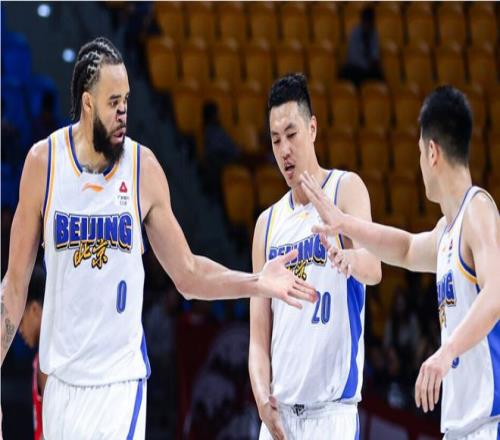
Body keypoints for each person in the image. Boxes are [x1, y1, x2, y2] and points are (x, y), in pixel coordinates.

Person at [0, 37, 316, 440]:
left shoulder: (142, 168)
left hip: (120, 386)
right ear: (87, 103)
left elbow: (188, 274)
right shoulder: (43, 164)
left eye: (126, 100)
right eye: (113, 102)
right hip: (61, 383)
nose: (123, 112)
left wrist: (258, 282)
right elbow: (14, 286)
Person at [301, 85, 500, 439]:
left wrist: (445, 352)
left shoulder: (478, 209)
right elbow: (406, 248)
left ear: (432, 152)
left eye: (420, 153)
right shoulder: (447, 231)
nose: (420, 164)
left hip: (490, 421)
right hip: (462, 426)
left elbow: (496, 294)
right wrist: (344, 223)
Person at [248, 73, 381, 440]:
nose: (284, 150)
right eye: (276, 139)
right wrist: (261, 398)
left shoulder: (346, 189)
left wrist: (347, 259)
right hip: (279, 418)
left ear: (312, 128)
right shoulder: (267, 224)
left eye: (291, 135)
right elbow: (258, 336)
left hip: (331, 416)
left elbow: (374, 269)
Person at [18, 265, 47, 440]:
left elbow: (53, 426)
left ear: (34, 310)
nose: (19, 330)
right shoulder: (42, 357)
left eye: (21, 320)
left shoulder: (48, 361)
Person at [338, 6, 383, 87]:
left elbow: (375, 55)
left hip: (368, 68)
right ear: (362, 21)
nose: (367, 25)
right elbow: (353, 57)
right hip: (356, 67)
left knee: (379, 75)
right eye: (366, 21)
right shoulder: (355, 33)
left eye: (370, 22)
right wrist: (366, 65)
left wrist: (372, 62)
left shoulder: (374, 33)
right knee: (346, 73)